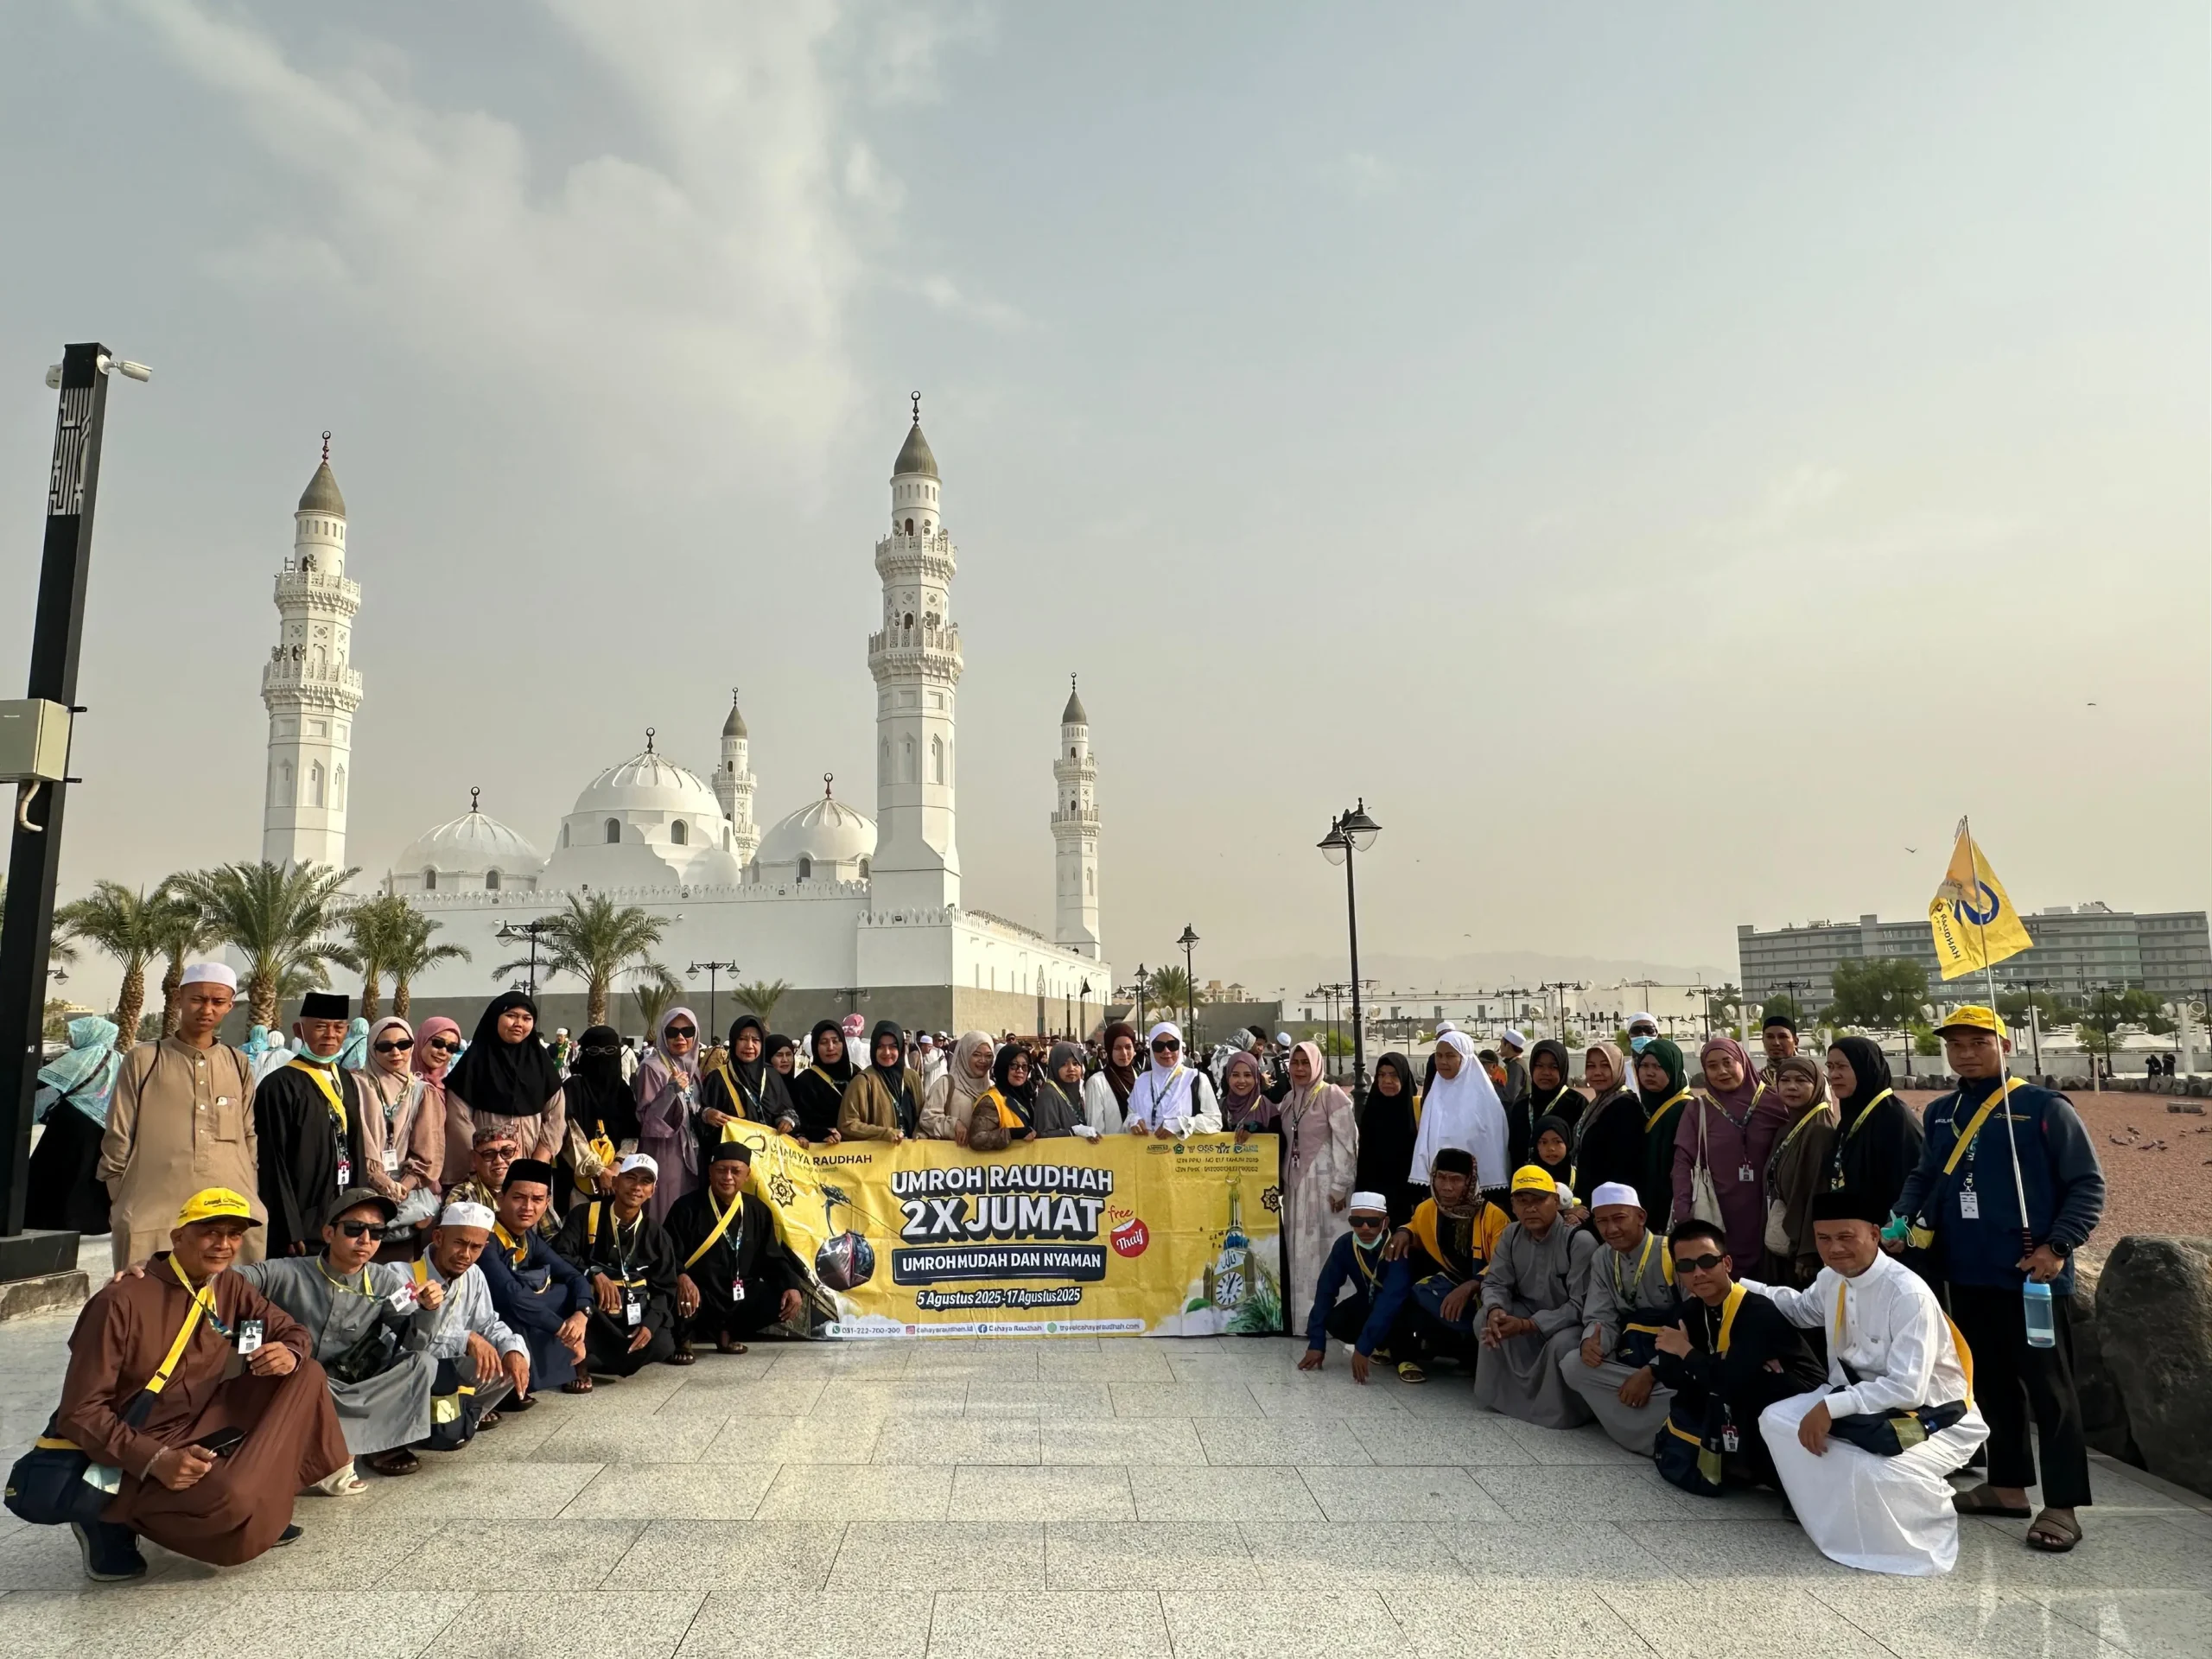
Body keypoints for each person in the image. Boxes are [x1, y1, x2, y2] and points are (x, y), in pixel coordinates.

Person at [51, 1187, 348, 1579]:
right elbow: (80, 1413)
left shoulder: (229, 1287)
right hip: (141, 1440)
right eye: (210, 1232)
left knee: (304, 1373)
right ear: (178, 1237)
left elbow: (287, 1329)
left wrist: (288, 1351)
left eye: (234, 1234)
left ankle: (260, 1504)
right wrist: (155, 1460)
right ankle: (109, 1517)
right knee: (232, 1501)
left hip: (204, 1418)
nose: (223, 1245)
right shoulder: (121, 1301)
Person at [1895, 1007, 2105, 1554]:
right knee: (1988, 1384)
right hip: (1966, 1273)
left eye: (1977, 1042)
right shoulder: (1941, 1112)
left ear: (2003, 1044)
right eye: (1955, 1044)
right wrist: (1900, 1220)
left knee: (2051, 1392)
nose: (1965, 1052)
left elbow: (2087, 1184)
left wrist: (2059, 1246)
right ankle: (2008, 1486)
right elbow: (1923, 1178)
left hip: (2032, 1277)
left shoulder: (2042, 1107)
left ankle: (2062, 1505)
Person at [1750, 1191, 1990, 1576]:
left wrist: (1830, 1407)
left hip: (1932, 1417)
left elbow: (1908, 1388)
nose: (1835, 1249)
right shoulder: (1833, 1278)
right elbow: (1798, 1308)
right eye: (1824, 1239)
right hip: (1860, 1403)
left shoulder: (1907, 1293)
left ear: (1875, 1235)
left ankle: (1903, 1543)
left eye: (1846, 1237)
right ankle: (1829, 1519)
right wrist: (1734, 1286)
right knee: (1776, 1420)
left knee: (1873, 1469)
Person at [226, 1187, 442, 1482]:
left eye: (376, 1233)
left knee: (423, 1362)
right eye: (355, 1229)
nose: (365, 1241)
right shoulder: (287, 1272)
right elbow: (231, 1279)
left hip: (352, 1387)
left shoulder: (384, 1282)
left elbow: (413, 1340)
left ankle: (364, 1444)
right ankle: (338, 1447)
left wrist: (428, 1310)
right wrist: (161, 1270)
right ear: (329, 1233)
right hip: (296, 1387)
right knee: (301, 1373)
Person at [1649, 1217, 1825, 1492]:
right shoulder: (1687, 1312)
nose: (1698, 1272)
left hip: (1799, 1400)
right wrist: (1715, 1365)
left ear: (1727, 1264)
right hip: (1739, 1398)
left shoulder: (1757, 1311)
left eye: (1707, 1261)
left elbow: (1730, 1379)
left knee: (1753, 1387)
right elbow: (1672, 1377)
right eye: (1686, 1266)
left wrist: (1685, 1351)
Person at [1474, 1164, 1599, 1428]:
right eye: (1522, 1201)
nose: (1530, 1208)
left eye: (1539, 1200)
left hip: (1569, 1322)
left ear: (1555, 1201)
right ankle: (1506, 1398)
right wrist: (1496, 1309)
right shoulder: (1512, 1234)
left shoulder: (1579, 1241)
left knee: (1562, 1345)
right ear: (1513, 1205)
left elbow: (1581, 1305)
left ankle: (1558, 1412)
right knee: (1485, 1319)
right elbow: (1496, 1281)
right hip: (1527, 1313)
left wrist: (1530, 1325)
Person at [252, 989, 374, 1258]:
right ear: (299, 1030)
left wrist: (360, 1209)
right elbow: (273, 1163)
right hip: (302, 1218)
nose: (330, 1035)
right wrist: (289, 1229)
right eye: (320, 1027)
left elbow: (355, 1144)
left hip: (341, 1211)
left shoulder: (346, 1079)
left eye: (339, 1027)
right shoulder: (279, 1085)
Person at [1560, 1183, 1680, 1453]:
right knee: (1573, 1364)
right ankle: (1650, 1425)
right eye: (1602, 1221)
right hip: (1630, 1351)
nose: (1611, 1229)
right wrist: (1592, 1341)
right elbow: (1600, 1313)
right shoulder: (1603, 1256)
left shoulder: (1671, 1252)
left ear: (1641, 1217)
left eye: (1619, 1219)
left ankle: (1648, 1430)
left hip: (1674, 1359)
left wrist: (1651, 1372)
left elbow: (1697, 1324)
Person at [1372, 1148, 1510, 1382]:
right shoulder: (1428, 1208)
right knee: (1403, 1274)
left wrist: (1470, 1287)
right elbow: (1415, 1225)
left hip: (1487, 1293)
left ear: (1470, 1181)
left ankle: (1462, 1349)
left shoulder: (1493, 1216)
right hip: (1448, 1287)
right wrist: (1404, 1231)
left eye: (1456, 1180)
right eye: (1441, 1177)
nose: (1447, 1187)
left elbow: (1503, 1263)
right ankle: (1404, 1353)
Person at [665, 1141, 806, 1357]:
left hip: (738, 1289)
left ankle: (727, 1333)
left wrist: (791, 1285)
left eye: (735, 1171)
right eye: (721, 1170)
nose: (728, 1177)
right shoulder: (686, 1207)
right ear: (710, 1172)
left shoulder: (757, 1210)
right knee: (679, 1290)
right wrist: (681, 1276)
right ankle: (683, 1339)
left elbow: (772, 1257)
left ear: (747, 1175)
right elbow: (668, 1253)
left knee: (781, 1297)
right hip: (698, 1290)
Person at [411, 1200, 529, 1450]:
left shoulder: (473, 1274)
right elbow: (403, 1345)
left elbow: (489, 1324)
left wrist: (512, 1349)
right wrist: (466, 1339)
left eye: (475, 1247)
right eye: (459, 1243)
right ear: (438, 1237)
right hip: (415, 1376)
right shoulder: (405, 1274)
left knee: (511, 1358)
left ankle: (467, 1413)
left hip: (453, 1369)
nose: (466, 1255)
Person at [554, 1153, 681, 1381]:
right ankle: (579, 1362)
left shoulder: (657, 1235)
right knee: (567, 1294)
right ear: (615, 1181)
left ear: (652, 1190)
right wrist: (593, 1274)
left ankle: (603, 1360)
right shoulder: (585, 1216)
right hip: (594, 1310)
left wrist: (650, 1326)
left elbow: (665, 1287)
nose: (636, 1187)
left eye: (645, 1181)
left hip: (632, 1310)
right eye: (630, 1178)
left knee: (663, 1343)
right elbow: (560, 1255)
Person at [475, 1158, 593, 1399]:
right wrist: (563, 1330)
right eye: (519, 1197)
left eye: (537, 1200)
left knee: (566, 1291)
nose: (528, 1207)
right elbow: (510, 1296)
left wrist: (582, 1313)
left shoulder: (529, 1239)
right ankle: (507, 1390)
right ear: (500, 1198)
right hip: (484, 1321)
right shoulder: (485, 1239)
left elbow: (573, 1275)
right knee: (519, 1305)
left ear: (547, 1203)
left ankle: (568, 1369)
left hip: (522, 1311)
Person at [442, 991, 568, 1186]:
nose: (519, 1023)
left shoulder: (541, 1063)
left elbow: (556, 1116)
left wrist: (537, 1162)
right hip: (483, 1166)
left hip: (530, 1163)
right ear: (495, 1018)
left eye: (527, 1018)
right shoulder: (475, 1062)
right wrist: (484, 1159)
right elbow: (458, 1118)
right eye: (511, 1016)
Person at [1276, 1040, 1358, 1324]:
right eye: (1295, 1063)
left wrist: (1340, 1186)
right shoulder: (1289, 1099)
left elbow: (1348, 1142)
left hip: (1325, 1186)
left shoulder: (1331, 1096)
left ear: (1317, 1065)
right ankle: (1301, 1321)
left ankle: (1332, 1320)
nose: (1300, 1069)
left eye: (1305, 1063)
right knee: (1299, 1249)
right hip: (1296, 1186)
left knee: (1324, 1250)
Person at [1673, 1035, 1772, 1270]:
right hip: (1717, 1212)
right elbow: (1682, 1163)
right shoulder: (1698, 1109)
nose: (1722, 1071)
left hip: (1765, 1213)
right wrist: (1683, 1212)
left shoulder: (1773, 1104)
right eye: (1712, 1066)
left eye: (1728, 1062)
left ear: (1743, 1062)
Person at [29, 1014, 122, 1236]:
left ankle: (47, 1219)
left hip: (72, 1124)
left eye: (75, 1034)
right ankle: (88, 1222)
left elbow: (43, 1080)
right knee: (88, 1173)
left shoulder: (86, 1055)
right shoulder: (120, 1058)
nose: (71, 1040)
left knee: (57, 1170)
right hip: (102, 1125)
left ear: (92, 1033)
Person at [359, 1015, 442, 1254]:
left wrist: (403, 1186)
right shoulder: (357, 1086)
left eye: (403, 1045)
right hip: (366, 1189)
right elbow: (359, 1137)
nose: (396, 1052)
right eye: (385, 1046)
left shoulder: (423, 1092)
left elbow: (428, 1148)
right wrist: (378, 1178)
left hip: (408, 1198)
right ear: (372, 1049)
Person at [1295, 1192, 1395, 1379]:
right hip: (1369, 1301)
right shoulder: (1345, 1245)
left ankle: (1406, 1354)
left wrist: (1363, 1348)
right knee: (1336, 1320)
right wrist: (1316, 1342)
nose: (1365, 1228)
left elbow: (1390, 1301)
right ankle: (1381, 1345)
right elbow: (1326, 1290)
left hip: (1400, 1308)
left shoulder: (1397, 1246)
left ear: (1385, 1222)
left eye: (1373, 1222)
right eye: (1357, 1222)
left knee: (1402, 1316)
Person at [1821, 1036, 1924, 1218]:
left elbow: (1912, 1186)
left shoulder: (1894, 1119)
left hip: (1886, 1236)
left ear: (1866, 1069)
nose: (1833, 1074)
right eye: (1830, 1067)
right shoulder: (1852, 1117)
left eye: (1842, 1066)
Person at [1762, 1054, 1840, 1286]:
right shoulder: (1791, 1125)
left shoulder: (1820, 1130)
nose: (1792, 1087)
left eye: (1801, 1081)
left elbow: (1817, 1193)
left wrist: (1808, 1252)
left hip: (1802, 1251)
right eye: (1784, 1080)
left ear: (1816, 1085)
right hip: (1787, 1240)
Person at [1411, 1030, 1510, 1201]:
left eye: (1450, 1056)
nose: (1442, 1061)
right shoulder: (1435, 1095)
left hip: (1478, 1192)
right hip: (1438, 1191)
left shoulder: (1485, 1100)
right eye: (1439, 1055)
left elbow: (1492, 1148)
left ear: (1464, 1058)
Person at [559, 1023, 639, 1213]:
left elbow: (632, 1134)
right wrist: (599, 1171)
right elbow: (571, 1136)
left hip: (617, 1181)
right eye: (594, 1050)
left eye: (609, 1050)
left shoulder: (622, 1091)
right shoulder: (573, 1088)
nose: (602, 1056)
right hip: (577, 1181)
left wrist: (617, 1166)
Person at [634, 1007, 703, 1222]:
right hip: (666, 1151)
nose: (680, 1037)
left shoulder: (693, 1069)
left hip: (693, 1150)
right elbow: (647, 1121)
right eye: (672, 1032)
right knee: (667, 1210)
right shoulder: (652, 1068)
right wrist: (670, 1091)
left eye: (687, 1031)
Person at [702, 1014, 796, 1152]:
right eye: (742, 1039)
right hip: (733, 1162)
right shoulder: (717, 1078)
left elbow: (787, 1109)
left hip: (771, 1158)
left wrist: (787, 1121)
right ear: (734, 1042)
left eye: (756, 1040)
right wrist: (707, 1114)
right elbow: (700, 1118)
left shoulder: (771, 1074)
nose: (749, 1046)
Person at [1572, 1042, 1643, 1217]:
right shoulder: (1598, 1104)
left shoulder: (1625, 1106)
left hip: (1611, 1207)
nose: (1597, 1073)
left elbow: (1623, 1167)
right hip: (1592, 1201)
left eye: (1605, 1065)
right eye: (1591, 1066)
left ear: (1618, 1067)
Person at [1353, 1052, 1421, 1227]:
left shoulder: (1417, 1113)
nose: (1387, 1081)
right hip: (1374, 1198)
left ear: (1404, 1077)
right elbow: (1364, 1158)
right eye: (1382, 1075)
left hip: (1408, 1199)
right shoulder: (1371, 1111)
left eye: (1393, 1075)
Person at [1635, 1039, 1694, 1231]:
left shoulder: (1687, 1108)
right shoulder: (1642, 1107)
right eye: (1644, 1065)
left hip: (1674, 1209)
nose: (1649, 1073)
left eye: (1658, 1066)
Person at [1122, 1023, 1221, 1137]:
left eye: (1172, 1045)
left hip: (1183, 1153)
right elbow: (1130, 1117)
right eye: (1159, 1046)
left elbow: (1215, 1122)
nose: (1166, 1051)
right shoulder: (1142, 1081)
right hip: (1145, 1153)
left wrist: (1181, 1124)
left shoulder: (1195, 1079)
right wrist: (1133, 1121)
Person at [840, 1021, 924, 1141]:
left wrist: (920, 1133)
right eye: (880, 1046)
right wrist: (882, 1133)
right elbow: (847, 1125)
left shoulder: (912, 1078)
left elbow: (922, 1117)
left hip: (911, 1156)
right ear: (873, 1048)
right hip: (879, 1157)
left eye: (893, 1046)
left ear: (900, 1048)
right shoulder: (863, 1081)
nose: (887, 1052)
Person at [1516, 1038, 1583, 1166]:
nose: (1546, 1073)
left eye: (1554, 1067)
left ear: (1563, 1068)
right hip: (1527, 1181)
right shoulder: (1520, 1106)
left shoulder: (1577, 1104)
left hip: (1569, 1182)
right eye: (1539, 1066)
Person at [788, 1020, 855, 1147]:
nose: (830, 1047)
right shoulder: (804, 1082)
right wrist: (821, 1133)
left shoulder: (857, 1075)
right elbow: (799, 1123)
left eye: (835, 1041)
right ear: (815, 1047)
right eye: (823, 1042)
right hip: (821, 1155)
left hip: (860, 1155)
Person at [925, 1030, 996, 1141]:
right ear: (964, 1054)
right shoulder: (946, 1084)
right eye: (976, 1055)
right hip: (949, 1156)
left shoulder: (992, 1088)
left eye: (988, 1056)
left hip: (984, 1158)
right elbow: (927, 1118)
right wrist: (953, 1125)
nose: (983, 1061)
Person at [968, 1043, 1041, 1150]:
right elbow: (977, 1139)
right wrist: (1012, 1134)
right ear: (1003, 1067)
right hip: (1003, 1165)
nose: (1020, 1071)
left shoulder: (1027, 1095)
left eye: (1024, 1067)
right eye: (1014, 1065)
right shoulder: (991, 1100)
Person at [1083, 1021, 1141, 1134]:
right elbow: (1096, 1129)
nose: (1124, 1053)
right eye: (1117, 1048)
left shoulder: (1142, 1079)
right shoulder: (1096, 1083)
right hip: (1112, 1149)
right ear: (1109, 1050)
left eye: (1128, 1047)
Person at [1032, 1041, 1092, 1138]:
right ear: (1055, 1066)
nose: (1071, 1069)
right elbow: (1044, 1136)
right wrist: (1071, 1132)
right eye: (1064, 1064)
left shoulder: (1079, 1090)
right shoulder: (1048, 1094)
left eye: (1075, 1063)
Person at [1496, 1029, 1529, 1116]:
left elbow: (1509, 1096)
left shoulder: (1516, 1066)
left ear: (1508, 1046)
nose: (1500, 1047)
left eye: (1502, 1043)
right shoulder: (1512, 1064)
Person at [1760, 1013, 1800, 1083]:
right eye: (1770, 1037)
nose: (1776, 1043)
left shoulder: (1810, 1075)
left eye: (1782, 1037)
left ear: (1795, 1042)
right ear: (1763, 1040)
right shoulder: (1755, 1078)